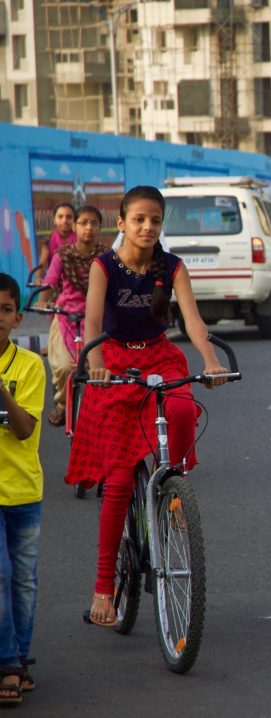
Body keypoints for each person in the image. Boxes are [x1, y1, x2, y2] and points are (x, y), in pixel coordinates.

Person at [64, 186, 228, 628]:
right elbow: (93, 322)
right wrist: (95, 362)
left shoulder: (172, 267)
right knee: (118, 481)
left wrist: (210, 360)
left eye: (155, 220)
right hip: (114, 360)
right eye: (138, 219)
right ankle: (103, 589)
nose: (147, 227)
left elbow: (192, 319)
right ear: (121, 224)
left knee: (180, 410)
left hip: (158, 356)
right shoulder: (104, 266)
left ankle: (174, 489)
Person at [0, 273, 46, 704]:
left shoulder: (30, 366)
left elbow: (23, 427)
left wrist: (1, 393)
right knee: (1, 574)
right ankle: (8, 665)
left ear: (17, 318)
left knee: (24, 581)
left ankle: (20, 659)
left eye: (5, 310)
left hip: (24, 489)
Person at [37, 206, 110, 426]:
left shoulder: (107, 256)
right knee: (65, 367)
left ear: (99, 227)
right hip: (66, 318)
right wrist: (42, 300)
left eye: (94, 223)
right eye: (84, 222)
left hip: (97, 320)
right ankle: (62, 405)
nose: (89, 228)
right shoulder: (63, 255)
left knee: (105, 369)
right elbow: (49, 283)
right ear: (75, 226)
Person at [31, 204, 76, 284]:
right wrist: (38, 278)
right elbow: (42, 263)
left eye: (69, 217)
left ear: (74, 220)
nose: (64, 220)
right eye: (60, 216)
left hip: (76, 281)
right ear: (54, 219)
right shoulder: (49, 239)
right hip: (55, 281)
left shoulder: (79, 238)